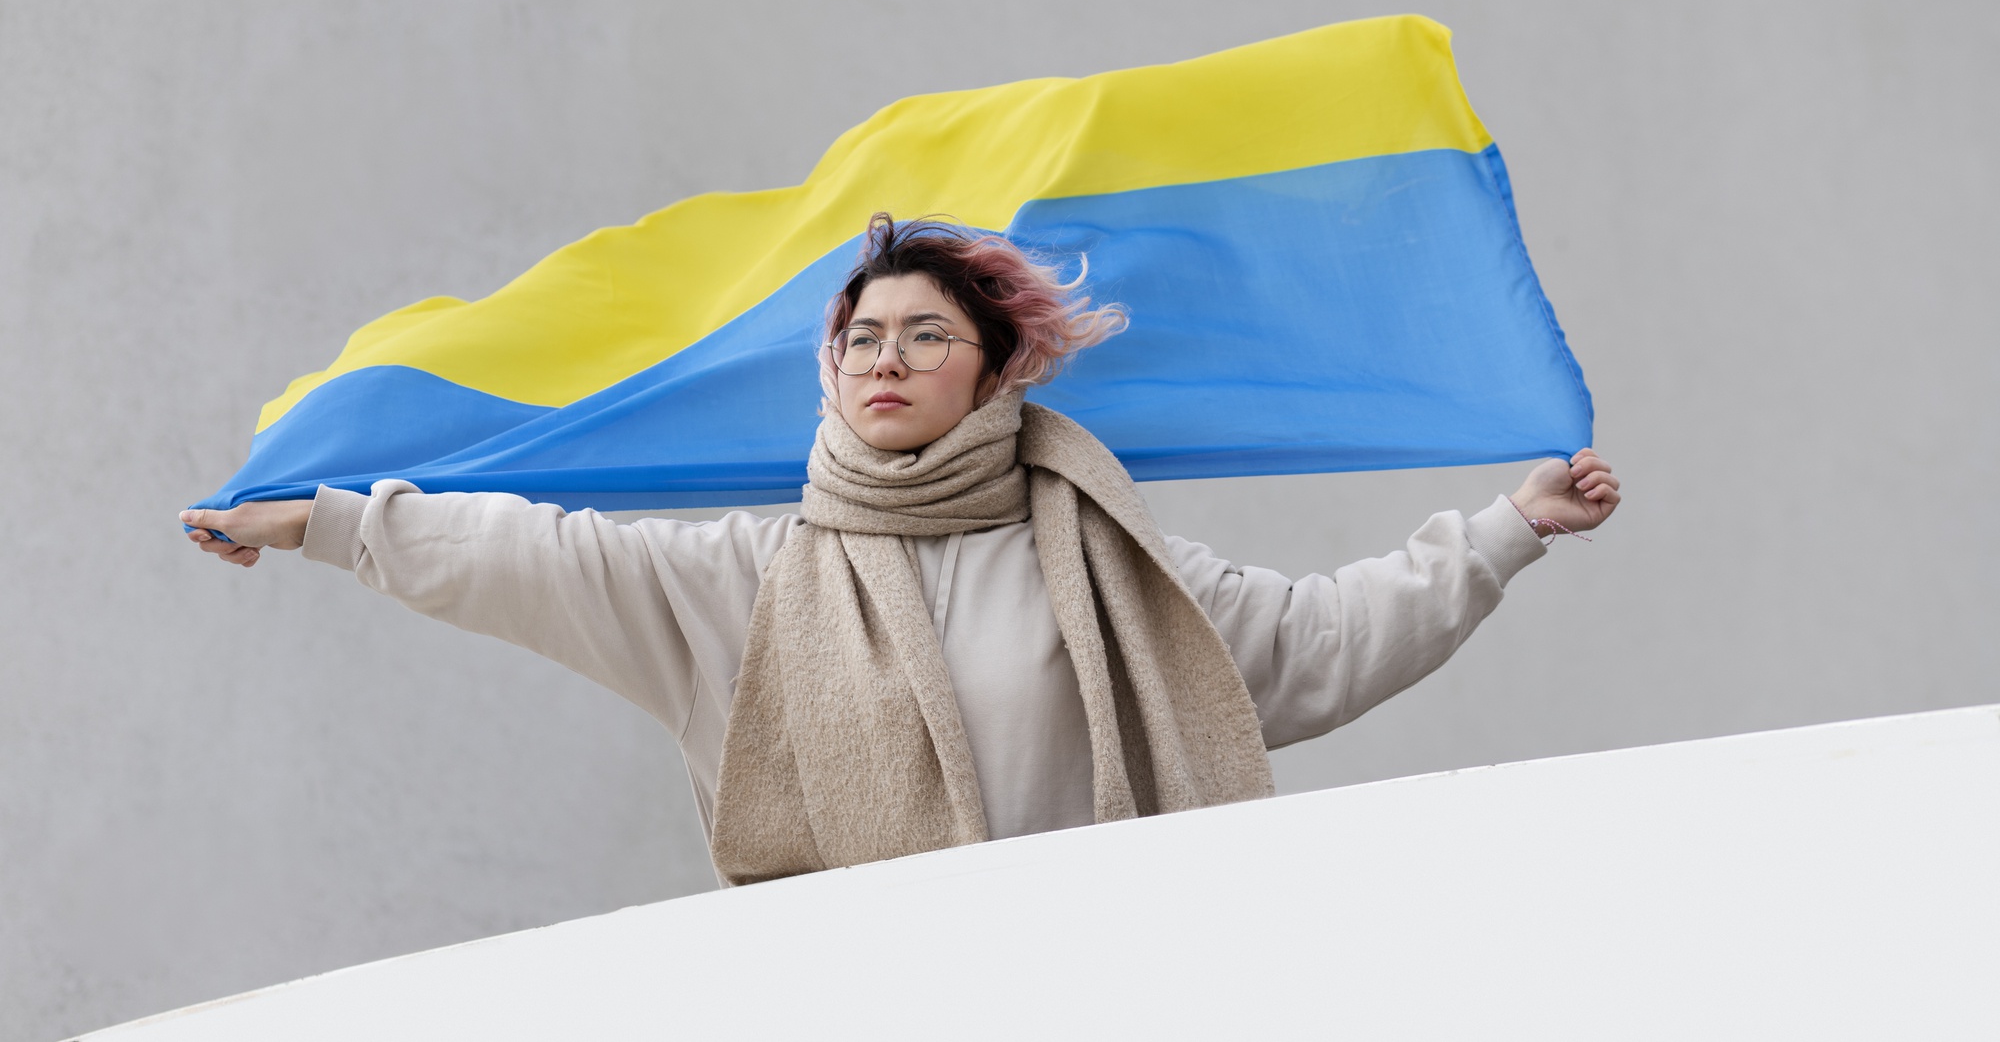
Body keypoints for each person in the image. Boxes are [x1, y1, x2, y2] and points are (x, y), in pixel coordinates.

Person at [182, 213, 1620, 885]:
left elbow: (1321, 640)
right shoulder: (751, 578)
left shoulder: (1114, 567)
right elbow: (531, 556)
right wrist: (319, 519)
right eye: (861, 336)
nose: (886, 357)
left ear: (997, 372)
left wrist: (1505, 530)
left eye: (925, 332)